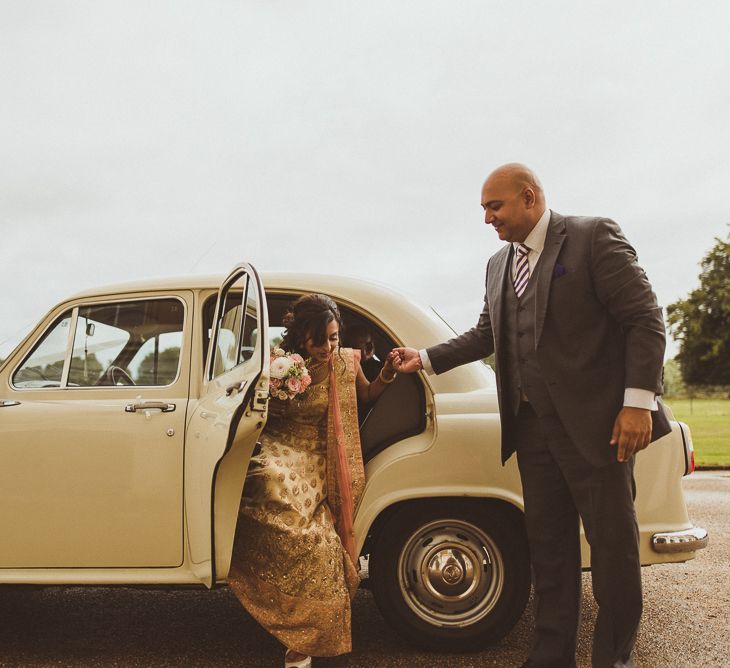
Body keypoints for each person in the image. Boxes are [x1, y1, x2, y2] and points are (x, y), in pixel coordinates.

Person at [393, 163, 670, 668]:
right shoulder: (499, 264)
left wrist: (637, 403)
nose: (486, 219)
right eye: (483, 209)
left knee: (613, 553)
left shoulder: (593, 237)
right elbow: (487, 335)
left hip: (599, 428)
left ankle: (613, 659)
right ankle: (550, 657)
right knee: (549, 549)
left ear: (529, 197)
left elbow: (645, 320)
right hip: (532, 428)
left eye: (493, 207)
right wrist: (426, 358)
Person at [227, 293, 397, 668]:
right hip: (278, 446)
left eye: (334, 338)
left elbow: (366, 394)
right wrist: (278, 392)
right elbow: (258, 416)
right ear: (301, 334)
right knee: (264, 482)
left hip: (320, 454)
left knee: (316, 539)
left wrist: (385, 374)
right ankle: (281, 612)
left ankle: (307, 637)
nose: (328, 347)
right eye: (320, 339)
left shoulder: (345, 362)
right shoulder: (276, 364)